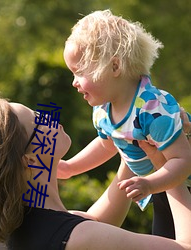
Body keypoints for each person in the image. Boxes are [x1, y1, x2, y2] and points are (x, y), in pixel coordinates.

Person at [0, 98, 191, 250]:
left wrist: (131, 137)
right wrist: (167, 165)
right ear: (30, 159)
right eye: (38, 120)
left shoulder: (16, 232)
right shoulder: (78, 238)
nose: (49, 117)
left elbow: (97, 221)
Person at [59, 9, 191, 239]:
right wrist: (71, 167)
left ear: (114, 67)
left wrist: (150, 183)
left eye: (79, 72)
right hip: (161, 189)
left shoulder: (152, 109)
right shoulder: (103, 110)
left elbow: (183, 160)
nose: (73, 83)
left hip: (180, 185)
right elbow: (107, 144)